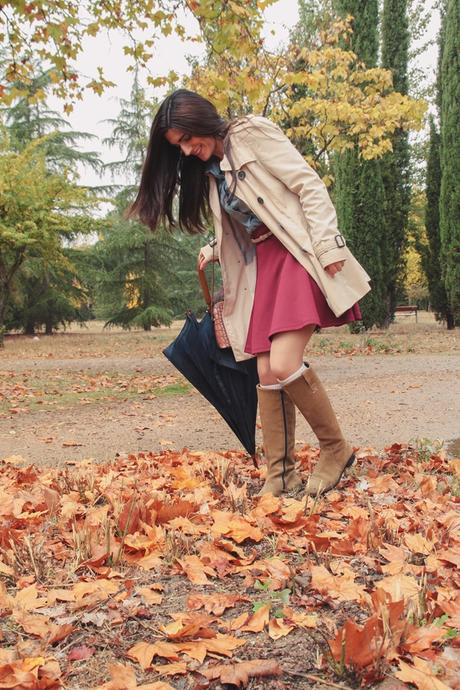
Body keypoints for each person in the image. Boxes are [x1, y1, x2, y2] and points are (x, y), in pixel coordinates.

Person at [129, 89, 371, 497]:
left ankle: (335, 449)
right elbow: (243, 220)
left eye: (188, 139)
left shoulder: (251, 134)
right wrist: (212, 247)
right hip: (262, 268)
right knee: (264, 371)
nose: (188, 150)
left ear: (201, 120)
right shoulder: (211, 170)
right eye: (179, 146)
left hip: (295, 252)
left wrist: (329, 243)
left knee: (283, 361)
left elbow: (307, 185)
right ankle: (281, 475)